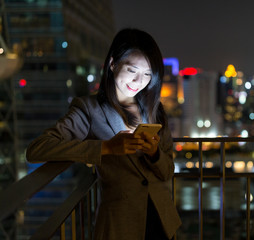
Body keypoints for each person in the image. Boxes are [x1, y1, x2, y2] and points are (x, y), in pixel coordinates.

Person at [26, 28, 182, 240]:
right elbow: (38, 148)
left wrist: (154, 153)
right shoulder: (90, 108)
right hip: (121, 224)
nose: (139, 81)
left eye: (147, 74)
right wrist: (107, 147)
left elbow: (167, 172)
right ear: (112, 64)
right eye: (132, 70)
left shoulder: (155, 110)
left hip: (162, 222)